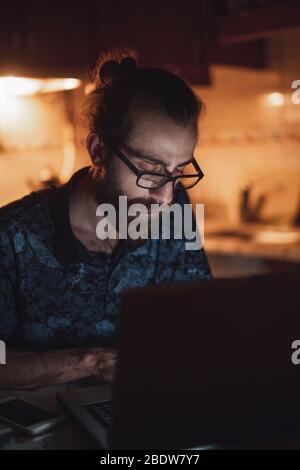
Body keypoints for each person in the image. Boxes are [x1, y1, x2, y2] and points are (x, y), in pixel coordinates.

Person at [0, 48, 212, 390]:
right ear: (99, 150)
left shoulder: (173, 208)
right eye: (151, 170)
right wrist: (91, 362)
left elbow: (203, 319)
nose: (166, 196)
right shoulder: (12, 238)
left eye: (178, 172)